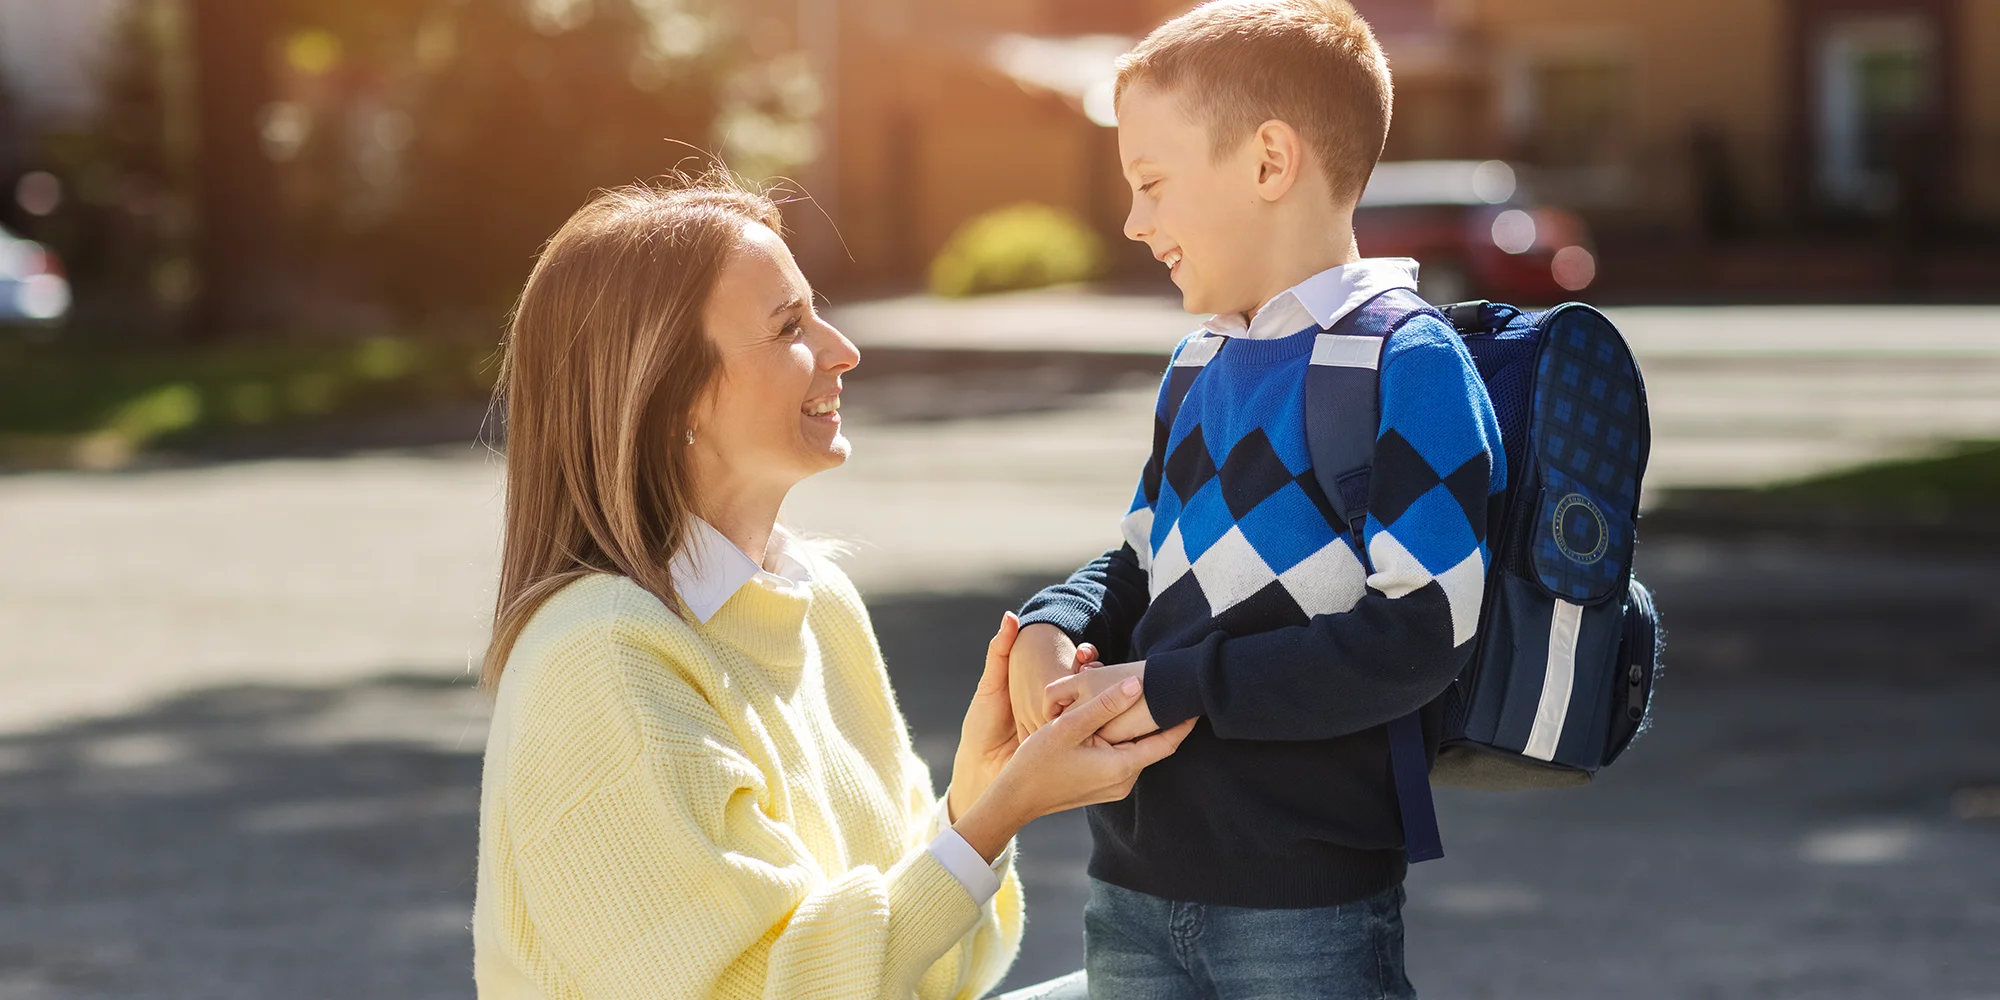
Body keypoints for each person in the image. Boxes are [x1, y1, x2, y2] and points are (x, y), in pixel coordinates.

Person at [471, 175, 1196, 999]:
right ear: (672, 396)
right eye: (790, 327)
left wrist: (977, 800)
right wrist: (1000, 814)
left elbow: (938, 972)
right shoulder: (600, 658)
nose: (843, 348)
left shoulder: (814, 597)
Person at [1005, 2, 1507, 997]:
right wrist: (1051, 622)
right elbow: (1141, 561)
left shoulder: (1404, 363)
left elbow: (1419, 630)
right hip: (1131, 884)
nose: (1132, 221)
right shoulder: (1196, 367)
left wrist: (1167, 684)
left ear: (1270, 163)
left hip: (1303, 904)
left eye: (1150, 183)